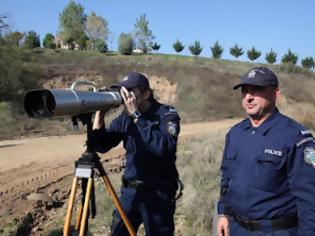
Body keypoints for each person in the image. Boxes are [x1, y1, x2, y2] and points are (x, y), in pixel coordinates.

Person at [216, 67, 315, 236]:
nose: (248, 97)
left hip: (275, 231)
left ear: (275, 94)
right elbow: (226, 179)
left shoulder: (295, 137)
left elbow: (309, 199)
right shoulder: (235, 133)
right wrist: (224, 214)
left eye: (257, 90)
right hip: (237, 228)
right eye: (245, 91)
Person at [91, 71, 181, 236]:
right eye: (122, 91)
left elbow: (164, 147)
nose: (126, 97)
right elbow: (101, 145)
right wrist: (100, 113)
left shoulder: (166, 114)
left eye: (130, 91)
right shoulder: (125, 117)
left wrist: (136, 116)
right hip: (130, 193)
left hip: (158, 194)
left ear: (146, 93)